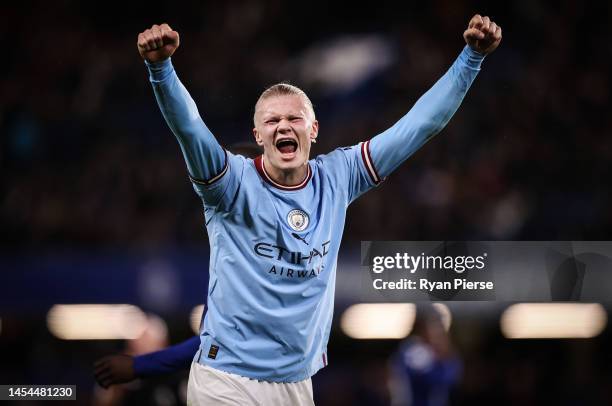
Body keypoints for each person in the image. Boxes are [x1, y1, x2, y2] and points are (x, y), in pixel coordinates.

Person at [136, 14, 501, 405]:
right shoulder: (230, 184)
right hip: (227, 379)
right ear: (258, 136)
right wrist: (161, 69)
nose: (283, 126)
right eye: (272, 120)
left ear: (313, 130)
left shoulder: (338, 176)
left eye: (294, 118)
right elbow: (189, 127)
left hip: (296, 383)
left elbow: (418, 125)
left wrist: (470, 60)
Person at [389, 305, 462, 406]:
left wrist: (446, 356)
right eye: (432, 325)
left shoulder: (436, 350)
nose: (436, 331)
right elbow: (433, 379)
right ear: (421, 327)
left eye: (438, 326)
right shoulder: (413, 348)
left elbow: (453, 377)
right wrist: (442, 356)